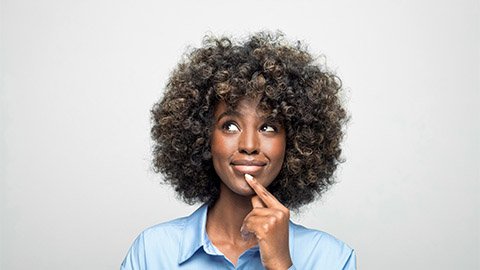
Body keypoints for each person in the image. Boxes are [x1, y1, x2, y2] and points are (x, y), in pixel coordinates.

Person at [121, 31, 356, 269]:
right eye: (230, 126)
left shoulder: (331, 258)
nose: (249, 145)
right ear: (203, 137)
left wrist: (279, 262)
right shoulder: (152, 252)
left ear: (295, 142)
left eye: (268, 127)